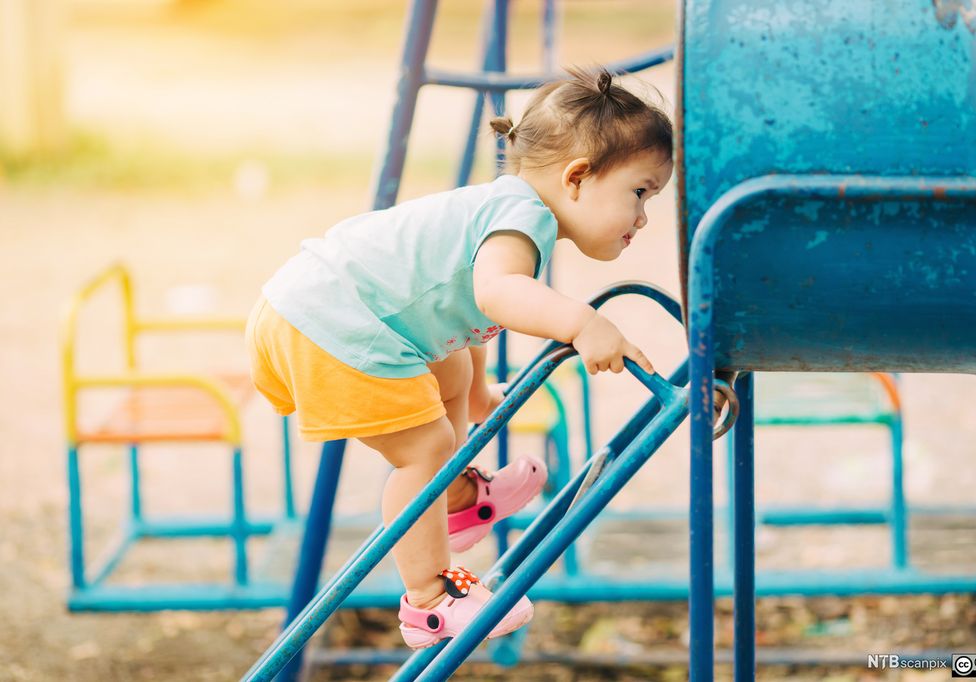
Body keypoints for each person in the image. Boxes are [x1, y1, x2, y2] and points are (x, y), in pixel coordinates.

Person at [245, 66, 673, 648]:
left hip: (313, 306)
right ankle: (428, 600)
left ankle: (458, 502)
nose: (644, 218)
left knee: (446, 368)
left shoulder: (501, 206)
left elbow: (456, 313)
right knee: (422, 449)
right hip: (330, 320)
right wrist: (583, 323)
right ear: (577, 177)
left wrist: (474, 397)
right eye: (640, 192)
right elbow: (497, 295)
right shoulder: (526, 218)